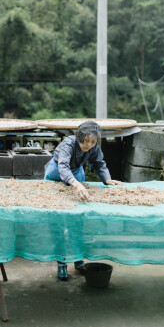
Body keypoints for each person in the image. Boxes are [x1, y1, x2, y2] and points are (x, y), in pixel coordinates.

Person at [44, 120, 123, 281]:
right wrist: (75, 184)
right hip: (56, 175)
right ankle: (61, 263)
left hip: (77, 175)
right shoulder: (68, 144)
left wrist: (106, 179)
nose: (88, 145)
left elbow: (100, 163)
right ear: (78, 136)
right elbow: (63, 166)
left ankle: (78, 258)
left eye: (93, 142)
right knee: (57, 221)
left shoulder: (93, 148)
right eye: (85, 140)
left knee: (77, 219)